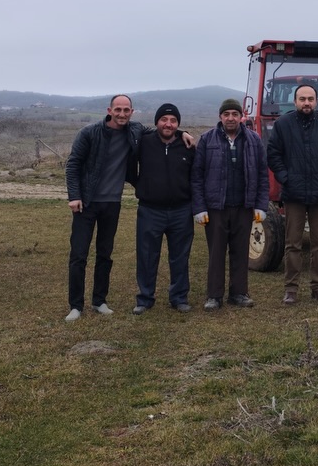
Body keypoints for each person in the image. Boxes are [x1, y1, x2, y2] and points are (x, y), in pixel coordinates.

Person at [64, 94, 141, 321]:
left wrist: (183, 133)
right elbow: (73, 165)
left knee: (105, 254)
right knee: (79, 255)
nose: (122, 114)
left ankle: (99, 301)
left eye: (126, 110)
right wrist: (74, 196)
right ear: (109, 110)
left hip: (112, 203)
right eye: (118, 109)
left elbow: (161, 129)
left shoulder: (134, 131)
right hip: (86, 203)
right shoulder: (89, 132)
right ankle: (76, 306)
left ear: (132, 112)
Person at [265, 83, 318, 304]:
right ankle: (291, 289)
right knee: (293, 244)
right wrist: (285, 177)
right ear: (295, 101)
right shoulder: (283, 124)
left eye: (310, 99)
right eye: (302, 99)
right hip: (294, 194)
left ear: (317, 101)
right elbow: (273, 154)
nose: (306, 103)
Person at [192, 98, 270, 310]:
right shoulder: (207, 140)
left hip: (244, 206)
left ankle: (239, 293)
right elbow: (197, 176)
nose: (230, 118)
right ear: (220, 116)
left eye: (235, 114)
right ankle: (214, 296)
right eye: (226, 114)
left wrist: (261, 205)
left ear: (241, 117)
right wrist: (199, 207)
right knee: (216, 252)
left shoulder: (254, 140)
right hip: (216, 207)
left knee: (240, 251)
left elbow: (262, 175)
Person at [129, 103, 196, 315]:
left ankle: (179, 298)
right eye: (164, 120)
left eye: (173, 121)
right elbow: (129, 168)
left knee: (180, 256)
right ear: (156, 121)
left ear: (178, 124)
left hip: (181, 210)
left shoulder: (187, 146)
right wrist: (141, 185)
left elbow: (196, 176)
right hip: (150, 210)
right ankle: (145, 298)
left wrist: (183, 133)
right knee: (147, 256)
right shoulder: (144, 142)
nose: (168, 124)